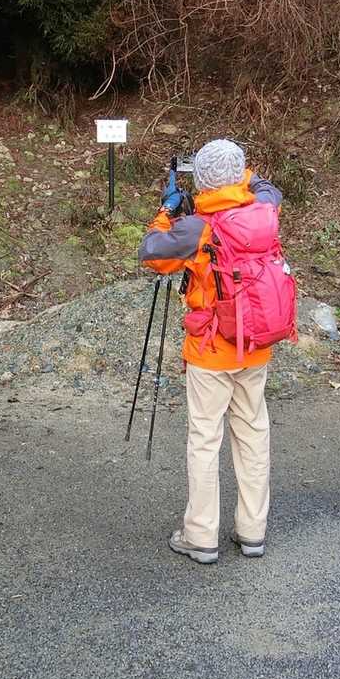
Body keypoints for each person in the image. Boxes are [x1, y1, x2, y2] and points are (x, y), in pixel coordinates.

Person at [138, 139, 283, 564]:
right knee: (253, 433)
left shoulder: (197, 227)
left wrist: (168, 209)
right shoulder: (265, 211)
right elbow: (266, 186)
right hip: (255, 346)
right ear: (240, 175)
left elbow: (152, 252)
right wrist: (240, 176)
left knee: (205, 438)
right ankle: (252, 531)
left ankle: (201, 535)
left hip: (210, 349)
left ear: (201, 180)